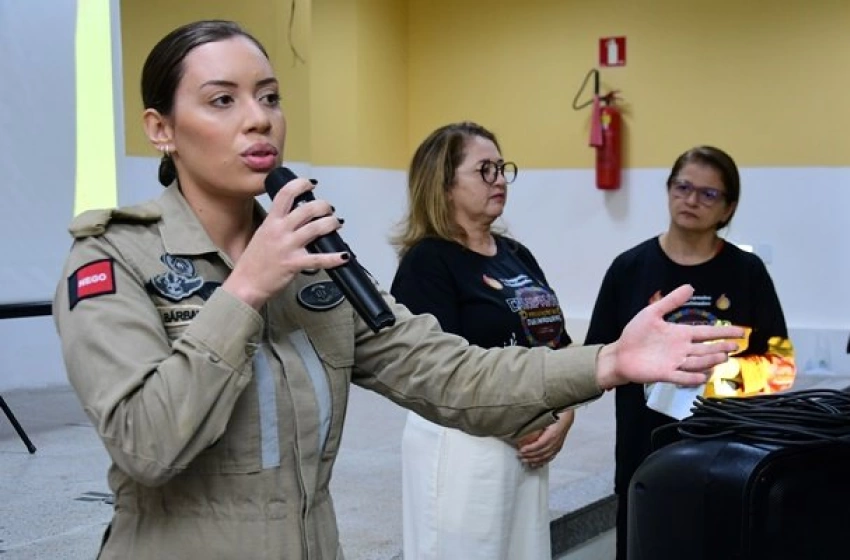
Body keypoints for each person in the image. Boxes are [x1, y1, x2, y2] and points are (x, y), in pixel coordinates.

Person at [52, 21, 742, 560]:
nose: (258, 118)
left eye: (269, 97)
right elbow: (145, 443)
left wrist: (606, 362)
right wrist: (245, 291)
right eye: (222, 100)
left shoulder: (316, 263)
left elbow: (446, 371)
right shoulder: (114, 258)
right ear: (160, 129)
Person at [584, 145, 795, 560]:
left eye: (708, 194)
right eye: (683, 186)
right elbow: (596, 357)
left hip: (726, 454)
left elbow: (779, 369)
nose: (691, 199)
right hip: (642, 454)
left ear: (728, 208)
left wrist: (709, 379)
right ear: (668, 190)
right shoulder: (628, 268)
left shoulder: (747, 272)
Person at [390, 121, 574, 560]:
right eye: (484, 170)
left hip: (529, 440)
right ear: (445, 183)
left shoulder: (516, 255)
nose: (499, 180)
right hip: (462, 447)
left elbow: (557, 343)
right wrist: (525, 420)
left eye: (501, 168)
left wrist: (563, 415)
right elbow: (435, 373)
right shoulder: (427, 262)